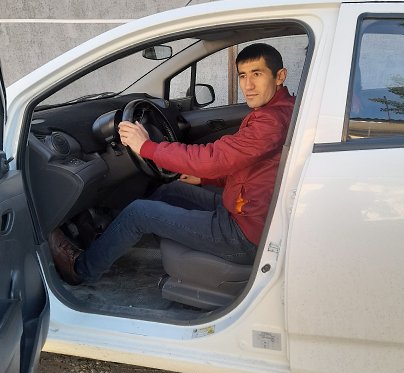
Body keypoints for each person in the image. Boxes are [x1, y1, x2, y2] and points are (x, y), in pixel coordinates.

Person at [49, 43, 295, 285]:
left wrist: (146, 147)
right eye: (243, 75)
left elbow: (214, 159)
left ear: (280, 76)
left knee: (139, 213)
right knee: (168, 190)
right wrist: (204, 178)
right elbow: (246, 166)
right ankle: (108, 242)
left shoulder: (271, 122)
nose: (248, 85)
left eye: (257, 74)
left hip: (242, 235)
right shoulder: (275, 111)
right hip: (241, 209)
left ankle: (82, 270)